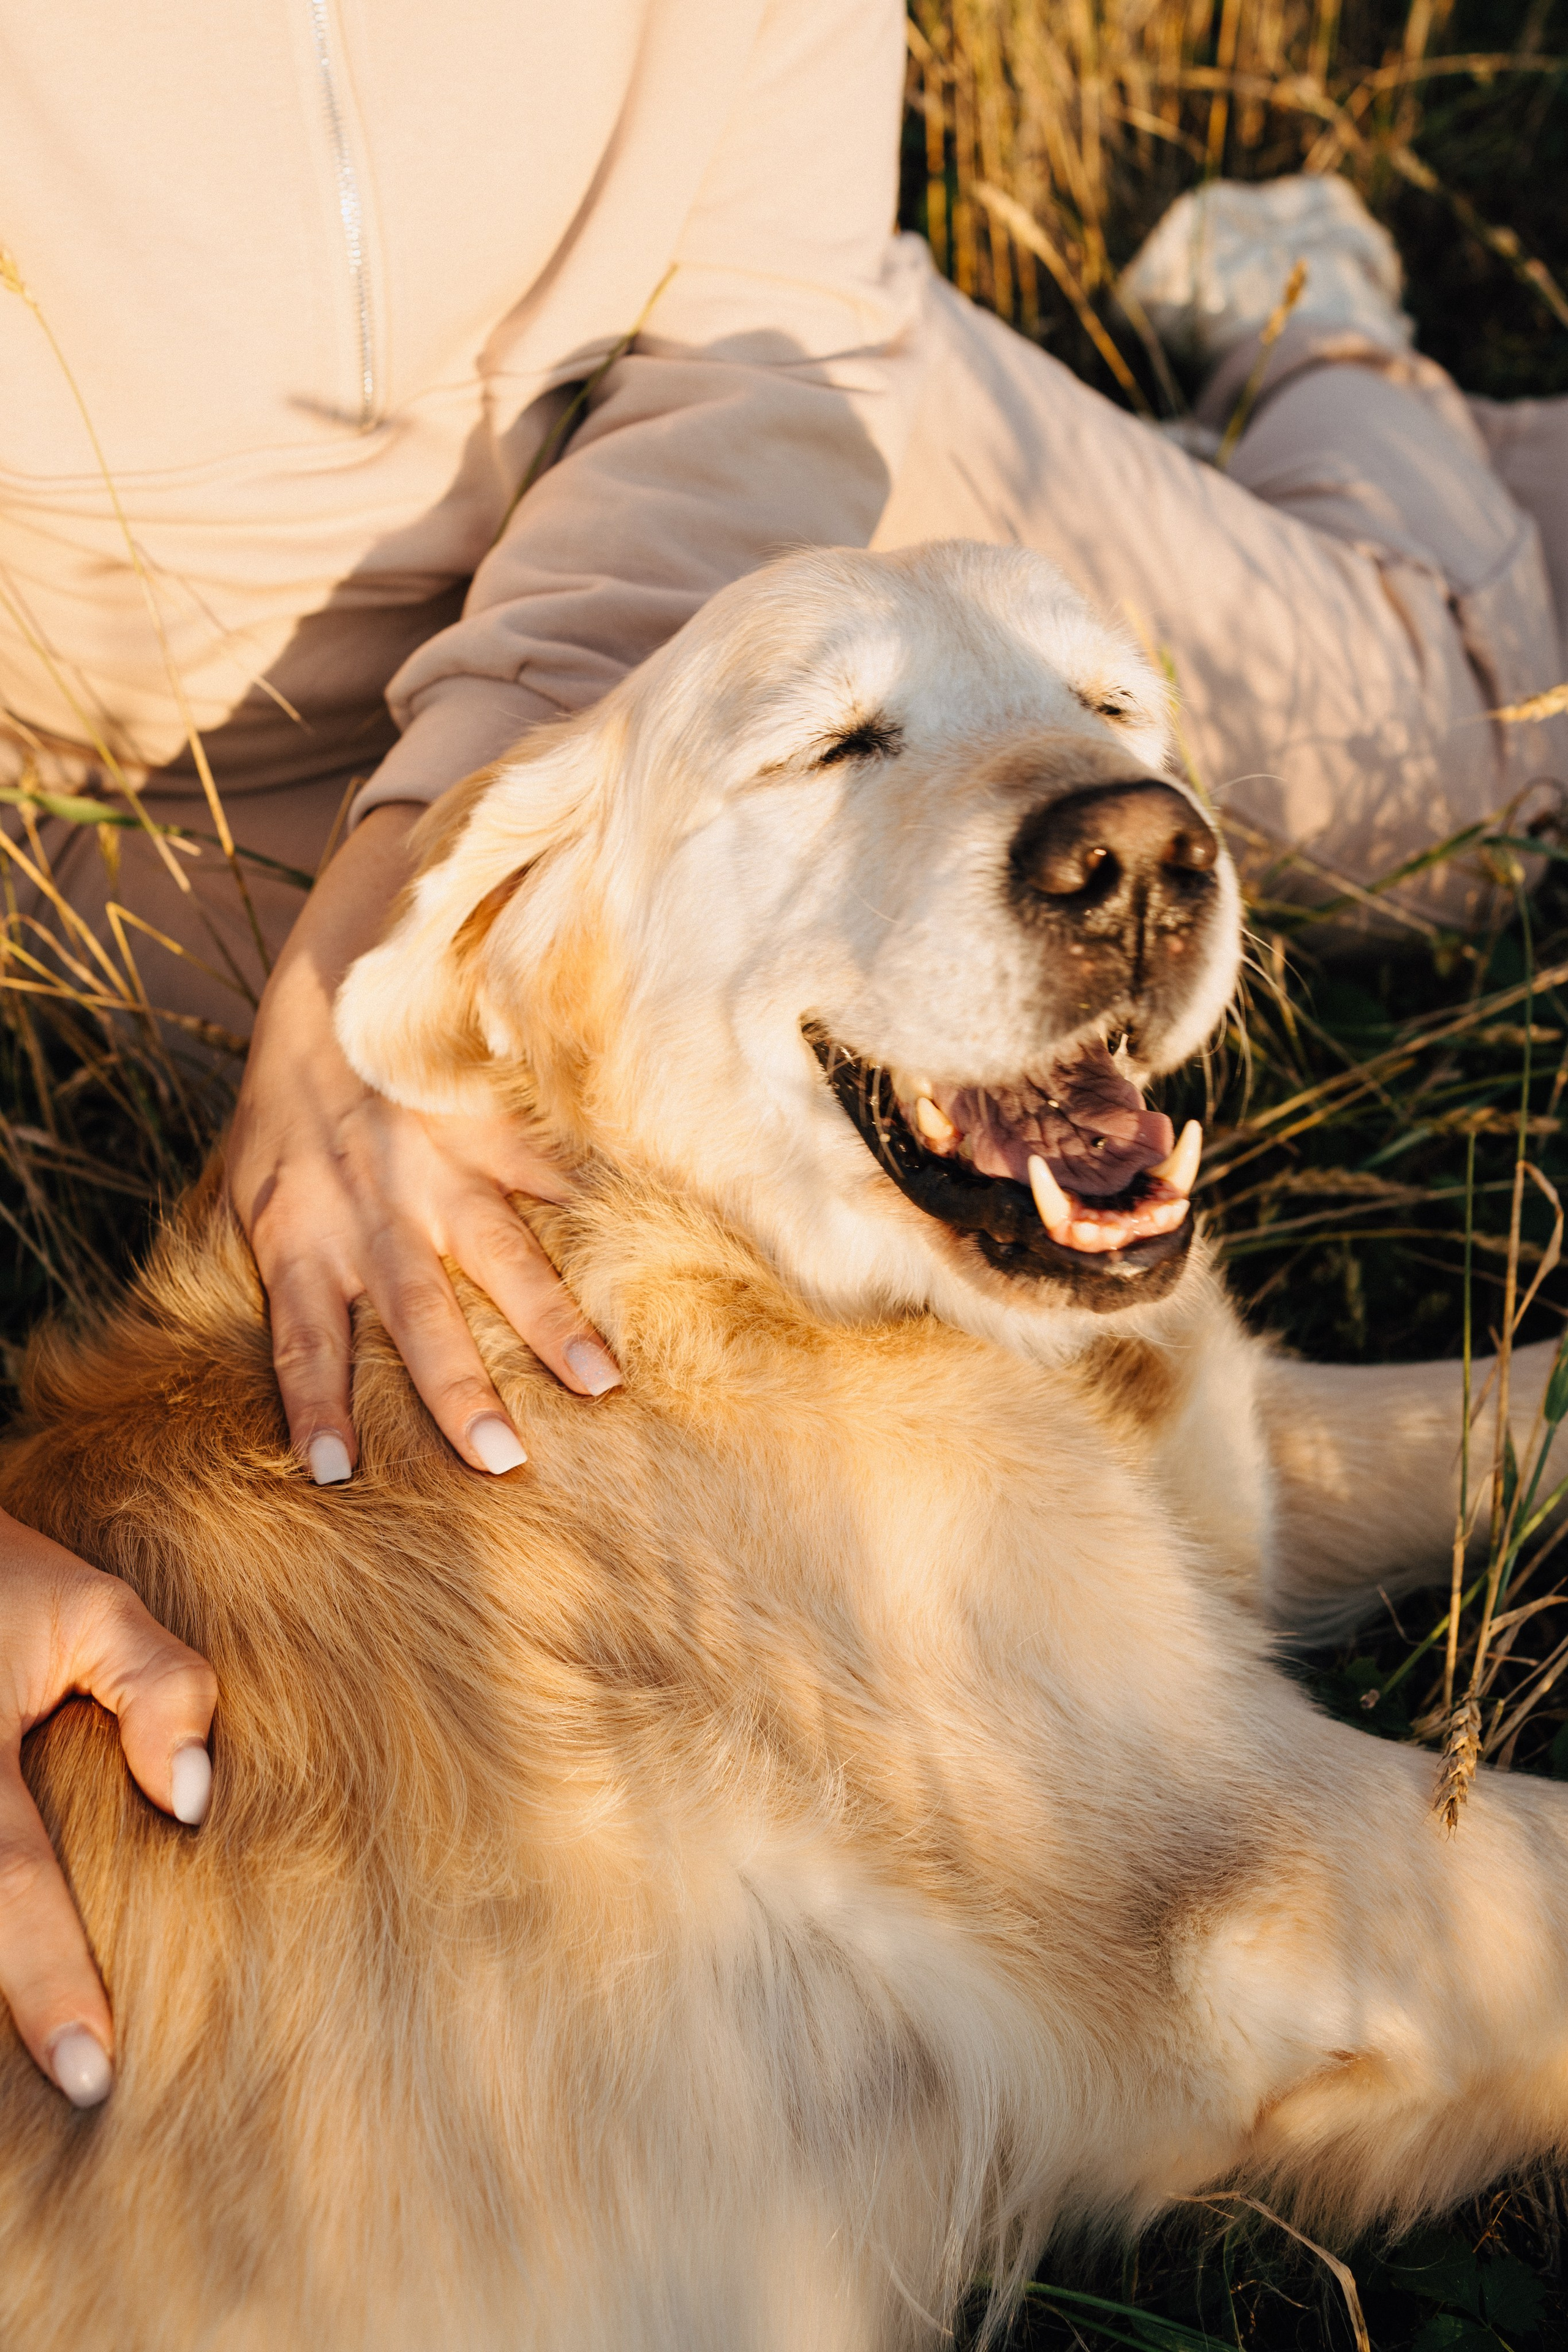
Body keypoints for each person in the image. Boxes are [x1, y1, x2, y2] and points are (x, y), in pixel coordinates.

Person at [1, 0, 1564, 2107]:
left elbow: (759, 307)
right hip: (199, 755)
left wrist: (419, 884)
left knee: (1453, 752)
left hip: (738, 445)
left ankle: (1320, 325)